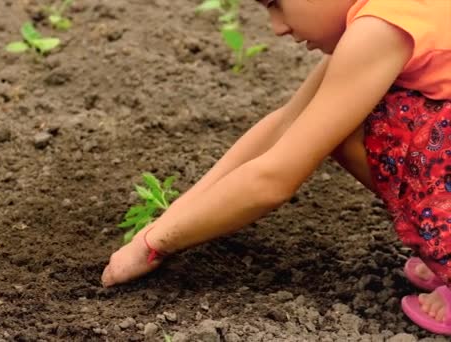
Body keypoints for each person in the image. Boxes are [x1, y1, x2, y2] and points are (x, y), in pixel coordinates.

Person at [101, 0, 451, 335]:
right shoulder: (388, 15)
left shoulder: (380, 29)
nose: (277, 27)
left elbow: (273, 180)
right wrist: (168, 220)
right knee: (337, 120)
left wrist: (157, 244)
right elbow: (284, 125)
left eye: (276, 3)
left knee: (361, 123)